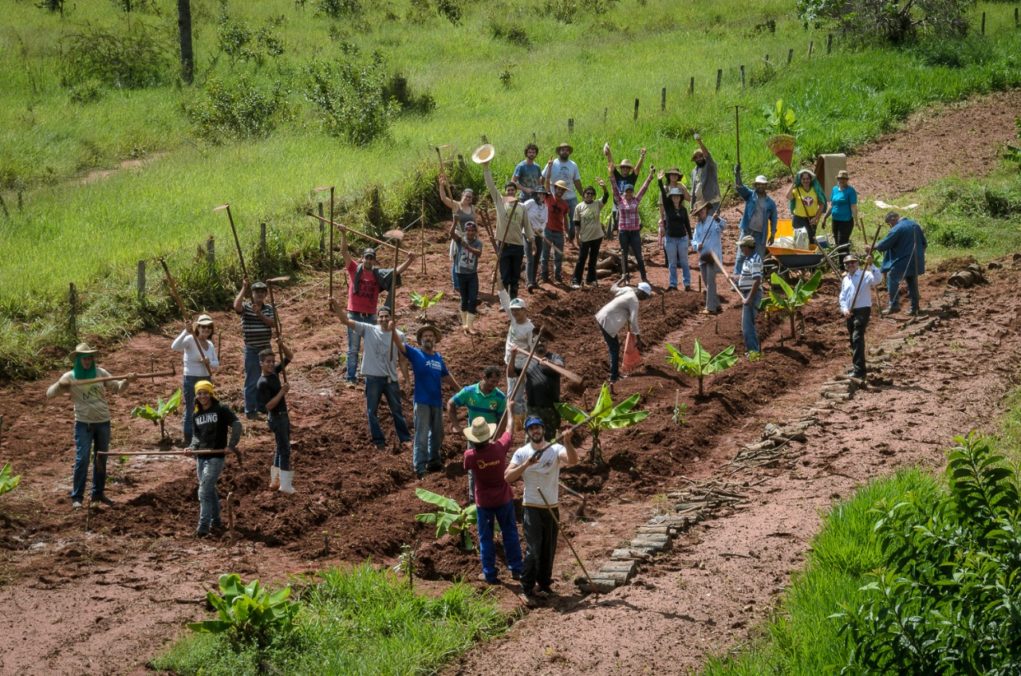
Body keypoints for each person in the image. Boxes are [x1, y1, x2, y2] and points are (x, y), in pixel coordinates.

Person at [46, 343, 134, 509]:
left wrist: (127, 381)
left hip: (103, 422)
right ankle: (77, 496)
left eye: (90, 358)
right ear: (78, 360)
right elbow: (49, 393)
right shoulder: (70, 377)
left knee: (101, 457)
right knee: (82, 459)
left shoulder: (100, 373)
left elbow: (118, 388)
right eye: (84, 358)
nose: (87, 361)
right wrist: (60, 384)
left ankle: (98, 493)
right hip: (83, 423)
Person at [505, 416, 579, 605]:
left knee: (548, 547)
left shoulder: (555, 449)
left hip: (551, 506)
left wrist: (568, 442)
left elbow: (573, 461)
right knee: (533, 549)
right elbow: (507, 477)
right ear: (528, 433)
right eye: (531, 429)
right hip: (531, 507)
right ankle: (526, 588)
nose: (535, 431)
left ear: (543, 429)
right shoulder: (522, 453)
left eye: (538, 428)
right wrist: (526, 465)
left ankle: (544, 585)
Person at [330, 300, 412, 450]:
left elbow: (402, 360)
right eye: (381, 317)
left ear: (392, 317)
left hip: (391, 379)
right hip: (373, 378)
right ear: (377, 318)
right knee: (371, 412)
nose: (384, 319)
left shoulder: (398, 335)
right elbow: (345, 320)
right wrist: (336, 304)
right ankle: (378, 440)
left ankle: (405, 438)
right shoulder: (369, 329)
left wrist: (406, 380)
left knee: (397, 411)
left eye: (387, 316)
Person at [340, 232, 414, 385]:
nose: (368, 260)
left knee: (372, 347)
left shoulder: (378, 274)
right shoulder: (354, 269)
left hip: (371, 316)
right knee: (353, 348)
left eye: (371, 258)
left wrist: (410, 260)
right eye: (366, 257)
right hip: (354, 314)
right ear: (362, 259)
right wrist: (343, 233)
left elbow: (396, 271)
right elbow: (344, 252)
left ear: (374, 260)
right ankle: (350, 378)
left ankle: (368, 375)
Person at [462, 415, 523, 585]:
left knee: (485, 538)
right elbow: (509, 431)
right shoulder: (499, 448)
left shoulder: (470, 455)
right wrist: (510, 411)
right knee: (510, 533)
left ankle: (489, 573)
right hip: (504, 499)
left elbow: (466, 467)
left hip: (484, 502)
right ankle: (516, 568)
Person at [393, 325, 455, 478]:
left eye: (430, 336)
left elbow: (446, 376)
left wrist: (460, 389)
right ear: (420, 340)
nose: (428, 338)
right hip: (421, 401)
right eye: (425, 336)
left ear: (435, 339)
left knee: (438, 433)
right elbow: (399, 345)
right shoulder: (416, 353)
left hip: (437, 401)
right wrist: (392, 330)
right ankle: (420, 467)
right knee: (421, 434)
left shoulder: (438, 358)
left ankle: (434, 460)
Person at [189, 380, 242, 536]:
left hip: (216, 457)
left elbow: (237, 424)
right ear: (196, 396)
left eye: (205, 392)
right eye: (199, 393)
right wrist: (191, 448)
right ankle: (217, 522)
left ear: (211, 394)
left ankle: (203, 527)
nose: (202, 396)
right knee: (209, 489)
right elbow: (196, 436)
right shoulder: (196, 414)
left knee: (203, 491)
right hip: (201, 457)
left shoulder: (221, 409)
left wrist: (231, 445)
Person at [448, 365, 506, 502]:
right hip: (474, 437)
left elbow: (502, 419)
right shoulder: (469, 392)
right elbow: (451, 404)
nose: (494, 385)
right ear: (484, 377)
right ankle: (474, 499)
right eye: (492, 381)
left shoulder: (499, 397)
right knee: (474, 468)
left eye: (497, 382)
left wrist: (496, 438)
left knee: (493, 467)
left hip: (491, 437)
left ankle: (493, 497)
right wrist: (456, 426)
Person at [483, 162, 534, 299]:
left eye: (513, 190)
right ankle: (504, 302)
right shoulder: (500, 202)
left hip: (518, 246)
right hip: (504, 246)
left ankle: (513, 300)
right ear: (505, 191)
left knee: (515, 276)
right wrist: (486, 168)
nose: (510, 192)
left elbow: (527, 225)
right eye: (508, 190)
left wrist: (532, 240)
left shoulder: (521, 206)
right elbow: (491, 186)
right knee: (505, 275)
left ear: (515, 191)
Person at [170, 313, 219, 445]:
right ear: (198, 327)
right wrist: (185, 331)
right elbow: (174, 347)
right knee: (191, 408)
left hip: (206, 379)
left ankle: (205, 437)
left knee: (207, 408)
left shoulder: (210, 344)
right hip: (191, 379)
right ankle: (189, 440)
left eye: (209, 327)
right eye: (203, 327)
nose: (206, 329)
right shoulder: (190, 340)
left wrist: (209, 362)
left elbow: (216, 364)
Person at [595, 280, 653, 384]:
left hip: (602, 315)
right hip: (608, 321)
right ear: (641, 292)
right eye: (645, 296)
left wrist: (621, 279)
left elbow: (613, 288)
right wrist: (638, 338)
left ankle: (615, 374)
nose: (644, 299)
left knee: (614, 346)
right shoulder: (634, 301)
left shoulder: (628, 289)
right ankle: (613, 377)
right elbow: (633, 320)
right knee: (614, 348)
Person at [871, 211, 927, 316]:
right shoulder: (915, 225)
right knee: (912, 281)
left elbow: (885, 244)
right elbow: (924, 243)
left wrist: (873, 247)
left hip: (904, 260)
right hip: (915, 259)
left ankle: (894, 305)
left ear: (893, 219)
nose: (890, 226)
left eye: (889, 224)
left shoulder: (897, 228)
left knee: (892, 276)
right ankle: (915, 307)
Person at [233, 279, 275, 418]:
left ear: (265, 294)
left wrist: (260, 314)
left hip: (265, 349)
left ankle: (263, 407)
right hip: (251, 349)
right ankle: (250, 410)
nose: (260, 294)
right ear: (253, 293)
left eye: (262, 292)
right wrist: (243, 288)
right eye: (257, 292)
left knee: (267, 378)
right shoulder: (246, 307)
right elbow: (236, 306)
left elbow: (273, 323)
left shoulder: (269, 309)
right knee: (252, 380)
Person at [508, 334, 562, 441]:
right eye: (537, 342)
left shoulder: (555, 357)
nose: (540, 343)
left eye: (543, 341)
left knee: (548, 440)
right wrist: (513, 356)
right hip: (533, 408)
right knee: (531, 439)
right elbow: (511, 373)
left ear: (547, 344)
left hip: (550, 408)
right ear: (533, 345)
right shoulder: (528, 361)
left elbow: (560, 367)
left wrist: (548, 363)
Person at [257, 343, 295, 494]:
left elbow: (290, 357)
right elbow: (268, 406)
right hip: (276, 418)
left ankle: (275, 481)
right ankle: (285, 486)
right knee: (285, 450)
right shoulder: (262, 383)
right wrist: (282, 392)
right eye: (268, 362)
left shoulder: (274, 374)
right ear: (261, 363)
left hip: (283, 417)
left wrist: (282, 344)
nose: (271, 364)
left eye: (273, 361)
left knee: (280, 448)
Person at [610, 162, 656, 284]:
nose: (629, 193)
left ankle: (644, 277)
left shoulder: (636, 200)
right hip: (624, 232)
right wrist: (611, 175)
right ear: (624, 192)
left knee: (638, 255)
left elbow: (644, 188)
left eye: (631, 191)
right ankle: (626, 277)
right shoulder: (619, 200)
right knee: (624, 254)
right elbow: (614, 187)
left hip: (635, 232)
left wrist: (650, 176)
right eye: (627, 192)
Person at [839, 254, 882, 379]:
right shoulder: (845, 279)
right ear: (845, 266)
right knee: (853, 340)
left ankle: (859, 371)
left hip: (862, 310)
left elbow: (878, 280)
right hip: (850, 312)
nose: (850, 265)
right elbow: (842, 297)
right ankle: (857, 367)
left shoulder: (865, 274)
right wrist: (844, 309)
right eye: (848, 263)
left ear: (857, 263)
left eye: (853, 262)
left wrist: (871, 264)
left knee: (857, 337)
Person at [498, 290, 537, 418]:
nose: (514, 313)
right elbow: (504, 300)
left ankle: (518, 422)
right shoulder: (513, 320)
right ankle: (520, 417)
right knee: (513, 393)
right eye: (513, 310)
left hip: (520, 365)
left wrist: (528, 369)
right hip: (510, 361)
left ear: (525, 310)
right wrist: (499, 281)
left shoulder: (530, 328)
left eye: (517, 310)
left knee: (514, 395)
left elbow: (533, 351)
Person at [734, 166, 777, 274]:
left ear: (766, 186)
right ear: (755, 185)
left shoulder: (770, 203)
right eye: (758, 184)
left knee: (758, 258)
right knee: (741, 256)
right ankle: (737, 279)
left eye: (763, 184)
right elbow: (739, 187)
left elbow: (774, 219)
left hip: (760, 234)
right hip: (747, 230)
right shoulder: (750, 195)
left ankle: (756, 281)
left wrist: (772, 234)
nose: (761, 186)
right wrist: (737, 173)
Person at [438, 174, 475, 291]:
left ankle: (464, 283)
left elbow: (475, 223)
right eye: (466, 196)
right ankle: (457, 285)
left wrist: (476, 236)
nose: (468, 198)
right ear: (462, 195)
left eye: (470, 197)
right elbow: (443, 198)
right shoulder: (456, 205)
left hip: (469, 237)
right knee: (457, 260)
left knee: (467, 261)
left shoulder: (473, 209)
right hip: (458, 235)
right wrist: (442, 185)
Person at [571, 180, 610, 289]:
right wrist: (577, 236)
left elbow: (606, 196)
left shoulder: (597, 204)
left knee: (593, 259)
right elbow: (577, 223)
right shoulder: (579, 207)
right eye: (587, 193)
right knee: (581, 259)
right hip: (585, 237)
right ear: (583, 195)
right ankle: (576, 280)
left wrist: (604, 187)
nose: (589, 195)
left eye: (592, 194)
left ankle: (591, 279)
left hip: (597, 236)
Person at [658, 172, 693, 291]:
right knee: (672, 263)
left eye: (678, 196)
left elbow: (687, 224)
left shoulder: (683, 210)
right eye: (673, 196)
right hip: (670, 239)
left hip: (682, 238)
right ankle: (673, 284)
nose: (676, 198)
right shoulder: (668, 207)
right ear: (671, 198)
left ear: (680, 198)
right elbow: (663, 195)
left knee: (684, 262)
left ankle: (687, 283)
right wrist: (659, 181)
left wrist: (691, 238)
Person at [542, 143, 584, 242]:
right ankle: (558, 239)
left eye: (567, 150)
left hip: (570, 196)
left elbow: (577, 180)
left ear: (569, 152)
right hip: (555, 197)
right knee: (555, 220)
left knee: (574, 219)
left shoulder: (573, 165)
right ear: (559, 152)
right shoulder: (552, 163)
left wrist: (582, 194)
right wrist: (540, 192)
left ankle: (571, 237)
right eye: (563, 150)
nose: (565, 151)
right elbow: (544, 177)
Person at [603, 143, 647, 234]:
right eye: (623, 168)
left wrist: (642, 156)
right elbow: (611, 163)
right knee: (617, 221)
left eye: (627, 168)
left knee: (631, 222)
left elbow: (637, 169)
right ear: (621, 169)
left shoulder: (631, 178)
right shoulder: (617, 176)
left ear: (630, 170)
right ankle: (621, 238)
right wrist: (609, 152)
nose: (625, 169)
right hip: (617, 202)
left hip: (629, 203)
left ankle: (633, 236)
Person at [692, 200, 727, 314]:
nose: (701, 212)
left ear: (706, 209)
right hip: (703, 257)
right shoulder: (697, 227)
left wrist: (718, 219)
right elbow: (693, 241)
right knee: (707, 282)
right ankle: (717, 305)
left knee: (711, 282)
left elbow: (724, 226)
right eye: (699, 211)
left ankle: (710, 307)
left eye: (703, 209)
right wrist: (698, 245)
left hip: (713, 256)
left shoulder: (713, 221)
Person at [450, 220, 484, 334]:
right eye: (468, 231)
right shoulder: (460, 241)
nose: (470, 233)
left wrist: (468, 247)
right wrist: (455, 222)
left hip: (472, 274)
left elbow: (478, 253)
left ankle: (470, 326)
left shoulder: (478, 243)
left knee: (473, 299)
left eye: (472, 231)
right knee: (464, 299)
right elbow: (451, 234)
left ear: (475, 232)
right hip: (461, 274)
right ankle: (465, 326)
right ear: (465, 232)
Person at [823, 169, 859, 269]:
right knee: (837, 243)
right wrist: (825, 218)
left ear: (847, 180)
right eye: (840, 179)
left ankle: (843, 267)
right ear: (838, 179)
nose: (842, 181)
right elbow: (832, 205)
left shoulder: (850, 191)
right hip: (835, 221)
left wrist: (856, 221)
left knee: (842, 244)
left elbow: (853, 207)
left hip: (846, 222)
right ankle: (844, 264)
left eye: (844, 179)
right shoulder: (834, 189)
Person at [540, 167, 571, 284]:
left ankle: (557, 276)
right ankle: (544, 276)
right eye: (559, 189)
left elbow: (566, 218)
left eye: (563, 190)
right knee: (545, 254)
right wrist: (549, 166)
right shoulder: (548, 197)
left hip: (559, 232)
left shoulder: (564, 204)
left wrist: (567, 232)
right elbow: (547, 181)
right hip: (547, 229)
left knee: (558, 256)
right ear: (555, 188)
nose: (560, 191)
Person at [735, 236, 764, 357]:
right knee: (747, 324)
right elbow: (746, 277)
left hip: (752, 294)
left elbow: (757, 280)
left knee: (747, 326)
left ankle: (753, 352)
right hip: (748, 293)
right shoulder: (748, 259)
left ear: (748, 247)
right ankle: (753, 350)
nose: (741, 249)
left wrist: (749, 298)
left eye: (742, 247)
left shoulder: (755, 260)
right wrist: (734, 278)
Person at [786, 169, 826, 245]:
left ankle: (809, 255)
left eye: (807, 179)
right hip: (798, 219)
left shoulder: (815, 190)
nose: (805, 181)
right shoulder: (797, 190)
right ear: (800, 180)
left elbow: (822, 205)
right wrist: (793, 183)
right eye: (803, 179)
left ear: (810, 179)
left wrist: (816, 218)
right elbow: (788, 196)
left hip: (811, 220)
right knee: (798, 241)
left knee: (810, 240)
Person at [521, 185, 548, 291]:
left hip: (539, 235)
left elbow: (545, 221)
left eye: (543, 194)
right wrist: (527, 224)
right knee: (530, 258)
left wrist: (541, 229)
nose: (541, 195)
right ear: (536, 194)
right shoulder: (530, 203)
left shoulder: (545, 207)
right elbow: (521, 210)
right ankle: (529, 282)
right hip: (528, 233)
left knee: (537, 258)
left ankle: (534, 280)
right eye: (540, 193)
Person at [690, 134, 720, 209]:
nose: (699, 158)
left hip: (711, 200)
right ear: (694, 160)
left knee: (712, 219)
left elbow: (708, 156)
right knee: (703, 220)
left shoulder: (710, 166)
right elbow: (693, 188)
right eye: (696, 157)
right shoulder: (694, 171)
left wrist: (700, 142)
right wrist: (692, 205)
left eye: (701, 156)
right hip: (700, 203)